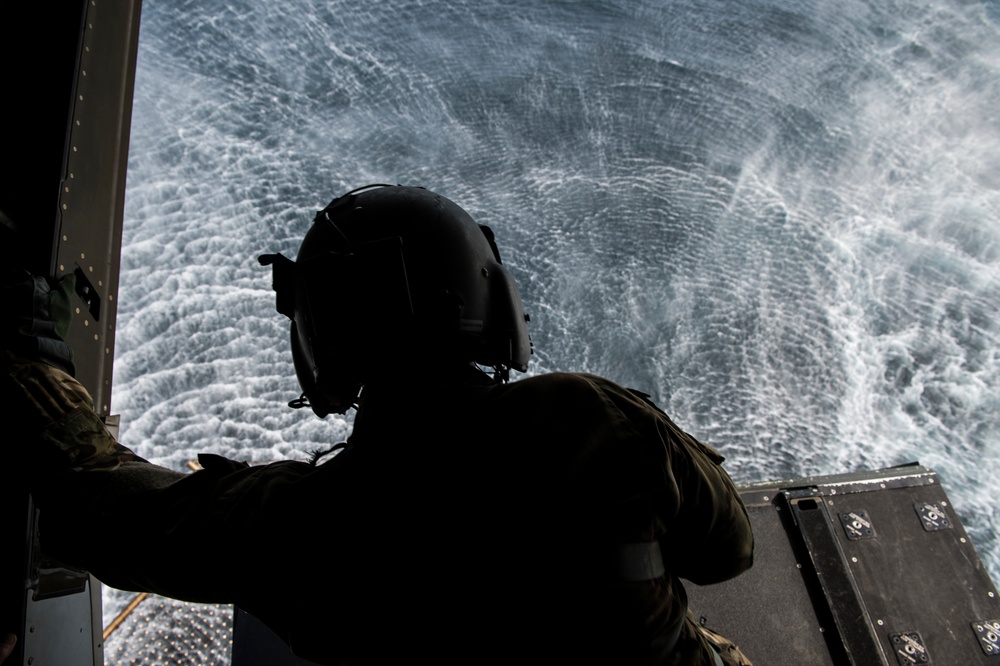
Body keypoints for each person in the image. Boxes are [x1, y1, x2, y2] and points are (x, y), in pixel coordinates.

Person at [3, 185, 753, 665]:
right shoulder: (593, 423)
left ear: (321, 343)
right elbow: (729, 549)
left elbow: (105, 512)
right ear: (488, 299)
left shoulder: (294, 525)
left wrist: (37, 371)